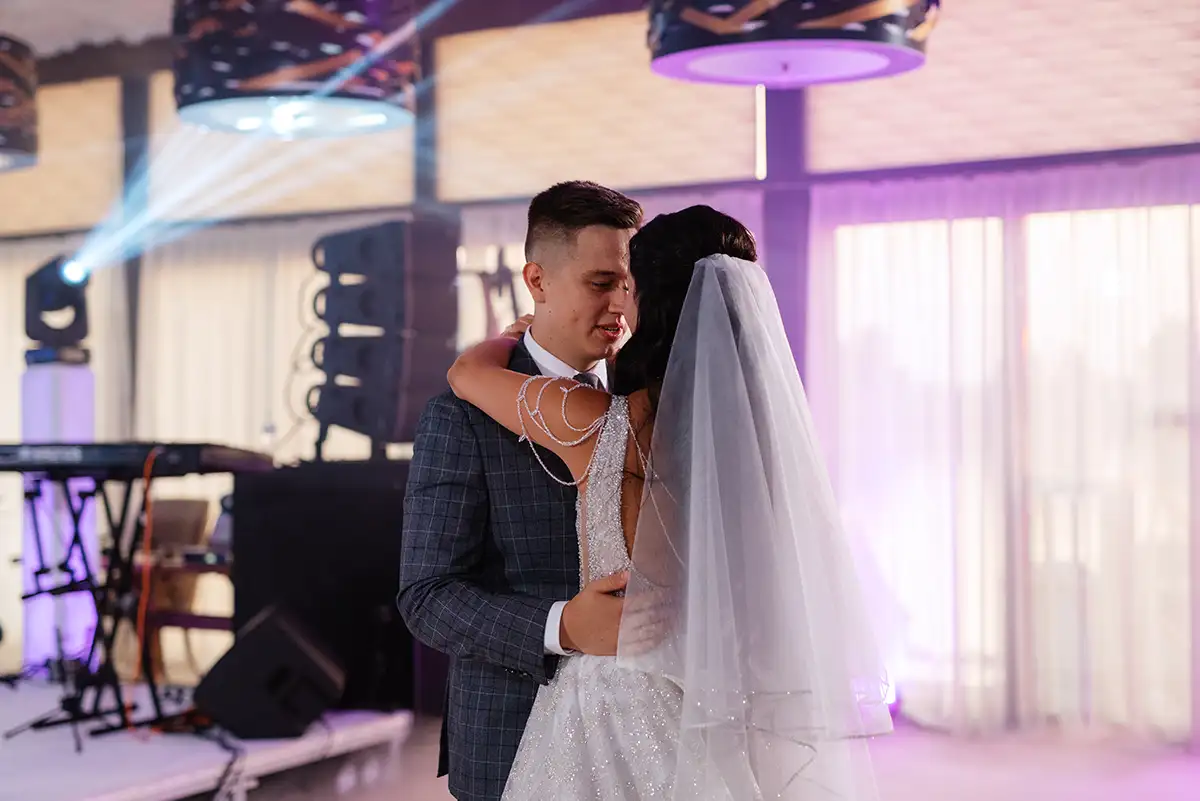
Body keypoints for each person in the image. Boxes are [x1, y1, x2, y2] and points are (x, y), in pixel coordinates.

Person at [447, 205, 894, 799]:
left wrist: (506, 335)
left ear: (647, 298)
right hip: (718, 700)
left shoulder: (596, 425)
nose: (617, 304)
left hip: (611, 702)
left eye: (625, 285)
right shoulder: (760, 443)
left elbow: (465, 374)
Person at [398, 180, 643, 801]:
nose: (619, 303)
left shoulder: (645, 397)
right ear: (537, 281)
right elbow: (426, 596)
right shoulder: (462, 414)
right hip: (512, 731)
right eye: (599, 282)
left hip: (644, 728)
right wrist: (564, 625)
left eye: (628, 284)